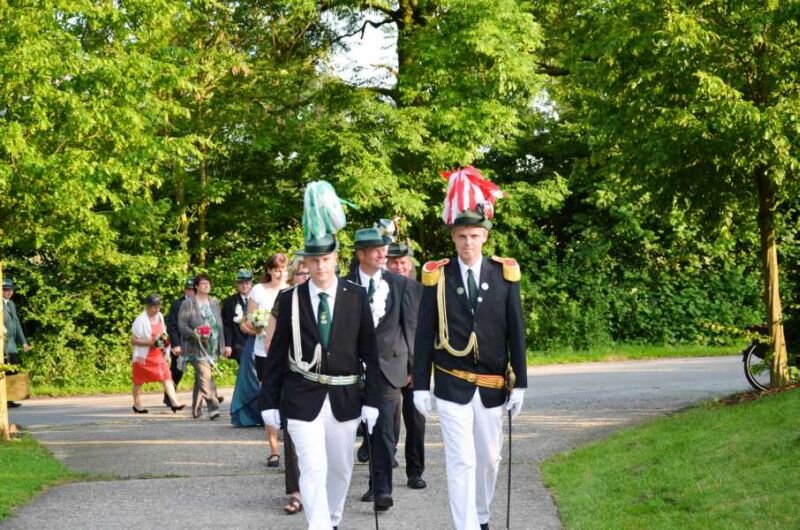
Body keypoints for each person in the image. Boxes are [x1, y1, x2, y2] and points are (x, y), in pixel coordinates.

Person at [258, 181, 381, 530]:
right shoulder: (290, 299)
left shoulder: (356, 297)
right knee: (313, 468)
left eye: (326, 259)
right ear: (307, 261)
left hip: (344, 396)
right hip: (301, 396)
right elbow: (276, 354)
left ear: (336, 258)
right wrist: (269, 402)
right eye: (314, 259)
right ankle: (320, 526)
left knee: (340, 469)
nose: (321, 266)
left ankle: (333, 520)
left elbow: (370, 353)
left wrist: (372, 401)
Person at [414, 166, 527, 530]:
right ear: (453, 237)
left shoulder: (503, 275)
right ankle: (466, 526)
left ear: (485, 237)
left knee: (489, 459)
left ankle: (481, 515)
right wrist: (419, 384)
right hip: (451, 383)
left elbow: (516, 331)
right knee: (461, 460)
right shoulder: (438, 275)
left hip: (493, 385)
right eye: (461, 235)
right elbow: (424, 332)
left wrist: (520, 381)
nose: (467, 243)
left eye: (474, 235)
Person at [346, 227, 420, 511]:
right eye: (375, 249)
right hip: (350, 369)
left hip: (390, 367)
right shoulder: (344, 284)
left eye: (383, 248)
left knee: (385, 431)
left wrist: (414, 367)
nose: (382, 253)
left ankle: (381, 489)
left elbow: (410, 327)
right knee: (355, 430)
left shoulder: (400, 285)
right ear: (360, 254)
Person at [386, 240, 427, 489]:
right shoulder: (378, 290)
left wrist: (416, 369)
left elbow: (422, 333)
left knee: (416, 420)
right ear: (386, 263)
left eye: (403, 262)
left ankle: (415, 471)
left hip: (415, 366)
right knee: (387, 419)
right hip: (387, 365)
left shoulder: (421, 290)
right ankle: (386, 459)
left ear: (410, 264)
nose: (399, 266)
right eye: (394, 262)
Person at [241, 253, 288, 467]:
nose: (280, 273)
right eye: (276, 269)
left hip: (289, 353)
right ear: (269, 270)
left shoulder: (293, 289)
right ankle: (274, 450)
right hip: (264, 352)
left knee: (289, 397)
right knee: (269, 398)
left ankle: (293, 445)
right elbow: (247, 321)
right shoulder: (258, 291)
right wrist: (259, 327)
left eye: (283, 269)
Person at [280, 256, 310, 516]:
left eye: (308, 272)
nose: (306, 277)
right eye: (301, 273)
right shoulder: (286, 300)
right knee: (293, 437)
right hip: (295, 377)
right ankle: (296, 492)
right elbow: (272, 342)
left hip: (329, 382)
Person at [178, 273, 228, 420]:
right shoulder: (188, 304)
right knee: (205, 377)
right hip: (195, 347)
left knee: (201, 378)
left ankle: (195, 410)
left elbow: (220, 326)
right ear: (196, 286)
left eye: (208, 283)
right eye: (203, 283)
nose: (207, 286)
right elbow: (182, 326)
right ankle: (213, 407)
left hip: (212, 346)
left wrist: (223, 345)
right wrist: (195, 333)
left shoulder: (215, 302)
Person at [130, 294, 186, 414]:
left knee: (167, 377)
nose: (157, 310)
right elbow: (133, 340)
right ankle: (137, 403)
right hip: (143, 356)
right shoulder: (140, 320)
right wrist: (150, 342)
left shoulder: (159, 316)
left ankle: (175, 402)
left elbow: (163, 333)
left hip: (158, 354)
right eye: (154, 307)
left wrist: (165, 342)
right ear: (148, 307)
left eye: (158, 307)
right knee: (138, 381)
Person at [163, 278, 197, 407]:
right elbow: (171, 325)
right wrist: (176, 344)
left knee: (203, 370)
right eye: (189, 289)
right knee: (177, 371)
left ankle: (212, 397)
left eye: (193, 289)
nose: (191, 292)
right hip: (181, 343)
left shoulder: (200, 303)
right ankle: (169, 396)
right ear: (185, 290)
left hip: (196, 343)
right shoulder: (177, 304)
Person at [3, 278, 30, 408]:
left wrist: (23, 341)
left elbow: (17, 323)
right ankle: (4, 400)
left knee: (14, 368)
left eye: (10, 290)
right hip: (2, 345)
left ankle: (10, 399)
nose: (9, 292)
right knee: (4, 372)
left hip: (12, 344)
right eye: (6, 289)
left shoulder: (11, 304)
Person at [222, 269, 253, 365]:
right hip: (239, 344)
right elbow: (227, 326)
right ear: (237, 284)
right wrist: (227, 345)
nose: (244, 286)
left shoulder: (258, 299)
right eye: (241, 283)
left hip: (257, 343)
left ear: (251, 283)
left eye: (247, 283)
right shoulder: (230, 302)